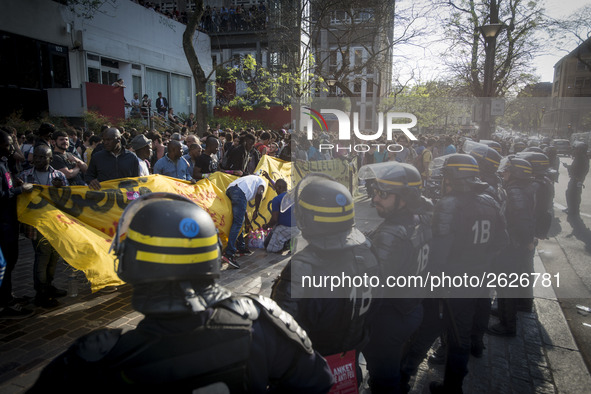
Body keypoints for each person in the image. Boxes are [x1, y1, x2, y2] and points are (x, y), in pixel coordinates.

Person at [28, 193, 334, 393]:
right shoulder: (262, 320)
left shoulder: (94, 359)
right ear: (212, 257)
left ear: (131, 265)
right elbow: (319, 382)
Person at [271, 174, 379, 389]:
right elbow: (376, 307)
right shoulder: (367, 253)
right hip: (349, 364)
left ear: (307, 220)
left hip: (310, 371)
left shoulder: (303, 266)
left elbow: (281, 331)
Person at [429, 154, 507, 394]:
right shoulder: (490, 200)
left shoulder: (449, 204)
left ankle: (452, 387)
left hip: (457, 280)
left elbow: (439, 254)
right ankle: (478, 346)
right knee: (480, 312)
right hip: (482, 274)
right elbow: (501, 241)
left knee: (456, 333)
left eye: (446, 177)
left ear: (453, 178)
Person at [357, 162, 433, 394]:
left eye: (383, 194)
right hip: (411, 307)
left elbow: (372, 286)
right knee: (393, 367)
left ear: (405, 197)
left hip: (388, 319)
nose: (374, 200)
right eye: (374, 192)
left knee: (383, 379)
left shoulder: (391, 234)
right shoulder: (422, 218)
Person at [488, 156, 536, 338]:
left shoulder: (515, 191)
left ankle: (507, 325)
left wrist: (526, 241)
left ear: (516, 173)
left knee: (506, 285)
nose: (504, 172)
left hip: (512, 246)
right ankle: (504, 314)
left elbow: (522, 220)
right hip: (516, 244)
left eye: (508, 170)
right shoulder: (521, 188)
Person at [18, 145, 69, 308]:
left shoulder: (59, 175)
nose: (38, 160)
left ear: (50, 159)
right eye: (36, 157)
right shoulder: (25, 176)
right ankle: (41, 292)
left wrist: (60, 188)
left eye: (42, 157)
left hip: (55, 223)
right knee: (42, 256)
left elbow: (68, 198)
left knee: (54, 256)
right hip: (37, 224)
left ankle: (49, 285)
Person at [0, 129, 34, 319]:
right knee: (5, 262)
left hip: (10, 221)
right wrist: (21, 190)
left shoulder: (4, 163)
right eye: (7, 143)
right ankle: (5, 304)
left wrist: (14, 182)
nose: (11, 147)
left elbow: (7, 186)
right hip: (3, 224)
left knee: (12, 260)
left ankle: (8, 296)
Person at [223, 174, 267, 268]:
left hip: (230, 189)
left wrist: (248, 222)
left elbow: (243, 209)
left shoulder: (248, 182)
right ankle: (229, 253)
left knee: (239, 221)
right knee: (238, 223)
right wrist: (257, 209)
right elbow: (260, 193)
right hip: (238, 192)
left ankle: (241, 247)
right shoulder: (262, 182)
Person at [263, 178, 297, 253]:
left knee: (270, 250)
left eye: (276, 189)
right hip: (299, 227)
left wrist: (266, 226)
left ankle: (284, 245)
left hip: (287, 227)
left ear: (279, 188)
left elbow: (274, 219)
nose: (275, 191)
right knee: (269, 239)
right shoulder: (293, 196)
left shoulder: (277, 199)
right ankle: (287, 242)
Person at [563, 141, 589, 219]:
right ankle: (573, 209)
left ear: (580, 150)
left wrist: (567, 167)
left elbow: (575, 168)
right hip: (578, 179)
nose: (575, 150)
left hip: (576, 179)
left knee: (572, 194)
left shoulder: (580, 158)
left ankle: (573, 210)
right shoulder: (583, 157)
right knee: (574, 194)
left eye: (576, 149)